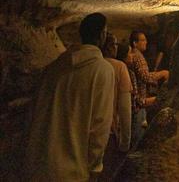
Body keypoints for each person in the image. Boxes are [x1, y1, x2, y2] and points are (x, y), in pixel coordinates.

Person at [25, 13, 115, 182]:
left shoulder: (54, 67)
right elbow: (100, 125)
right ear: (102, 34)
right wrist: (94, 167)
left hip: (39, 164)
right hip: (72, 170)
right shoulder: (102, 70)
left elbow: (34, 112)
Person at [128, 31, 169, 147]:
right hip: (138, 103)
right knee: (137, 137)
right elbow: (145, 77)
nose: (146, 42)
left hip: (138, 101)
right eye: (143, 40)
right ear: (135, 43)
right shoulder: (138, 56)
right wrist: (162, 73)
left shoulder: (135, 55)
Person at [102, 32, 132, 153]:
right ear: (109, 46)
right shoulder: (119, 67)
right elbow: (125, 109)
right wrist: (125, 143)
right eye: (115, 44)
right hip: (108, 133)